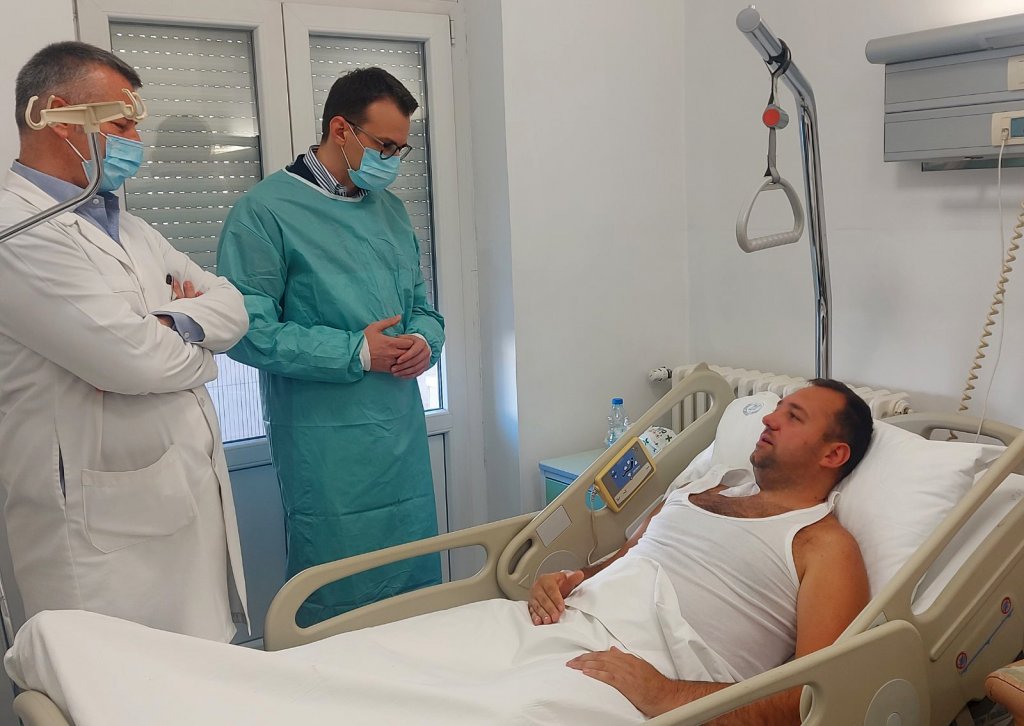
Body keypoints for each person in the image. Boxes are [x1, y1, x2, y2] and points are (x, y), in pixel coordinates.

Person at [0, 42, 249, 641]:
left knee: (198, 669)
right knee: (111, 677)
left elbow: (232, 307)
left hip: (175, 499)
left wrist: (171, 324)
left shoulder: (128, 226)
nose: (137, 139)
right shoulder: (17, 232)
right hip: (96, 530)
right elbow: (131, 361)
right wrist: (195, 343)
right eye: (120, 124)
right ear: (56, 117)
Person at [216, 67, 444, 625]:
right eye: (384, 145)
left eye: (400, 149)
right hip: (325, 443)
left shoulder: (390, 211)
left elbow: (421, 306)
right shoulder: (265, 212)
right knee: (340, 591)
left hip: (399, 434)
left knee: (412, 585)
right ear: (341, 129)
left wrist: (424, 341)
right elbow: (247, 331)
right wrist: (356, 352)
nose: (392, 159)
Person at [530, 379, 874, 722]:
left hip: (628, 675)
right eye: (777, 410)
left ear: (833, 454)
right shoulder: (700, 487)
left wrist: (664, 692)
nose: (769, 419)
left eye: (794, 417)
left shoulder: (824, 547)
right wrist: (567, 582)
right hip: (561, 628)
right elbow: (623, 558)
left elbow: (811, 696)